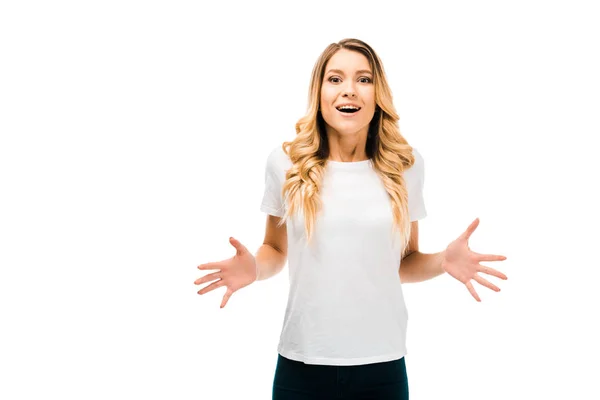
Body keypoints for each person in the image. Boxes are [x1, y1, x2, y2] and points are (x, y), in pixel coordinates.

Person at [195, 38, 508, 400]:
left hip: (382, 364)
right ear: (319, 91)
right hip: (301, 362)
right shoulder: (286, 164)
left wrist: (442, 261)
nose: (350, 90)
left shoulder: (405, 166)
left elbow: (403, 263)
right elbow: (275, 249)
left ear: (378, 93)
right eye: (335, 79)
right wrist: (254, 268)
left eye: (363, 79)